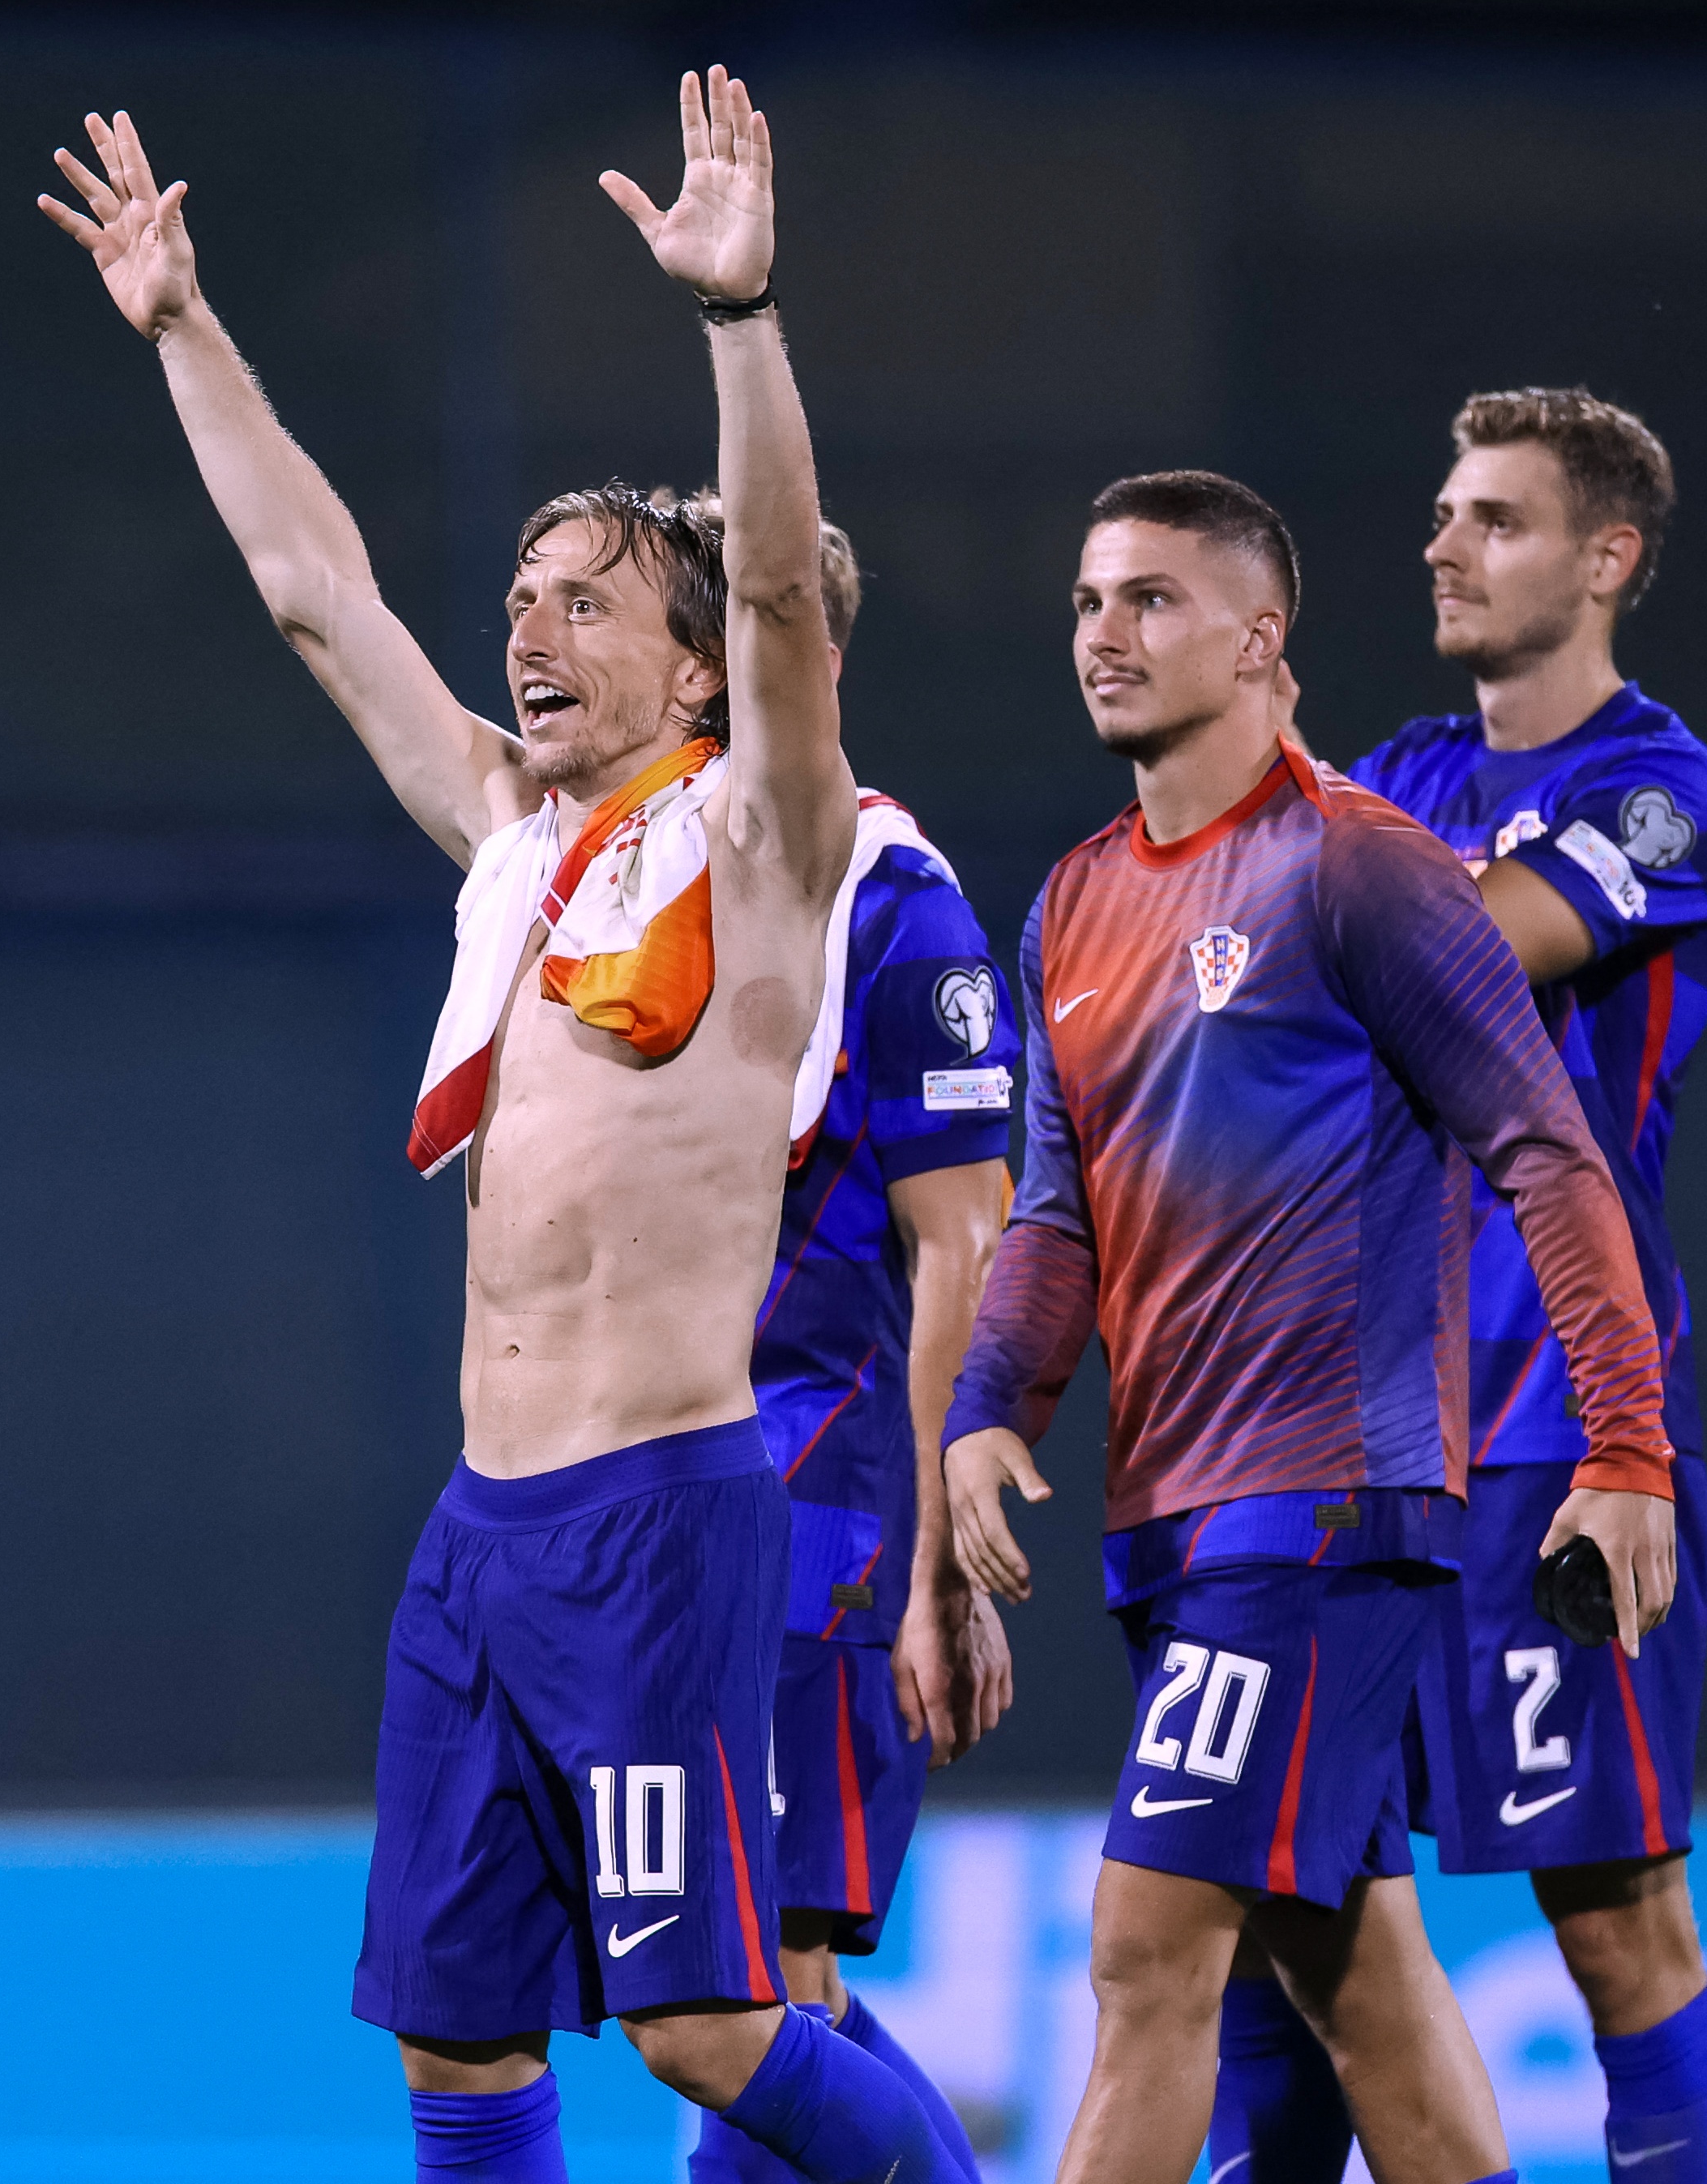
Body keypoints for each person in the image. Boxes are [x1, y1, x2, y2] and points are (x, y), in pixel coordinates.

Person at [44, 71, 969, 2184]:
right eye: (523, 596)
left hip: (660, 1517)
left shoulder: (769, 836)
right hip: (480, 1531)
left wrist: (738, 319)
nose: (527, 628)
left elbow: (781, 604)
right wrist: (183, 325)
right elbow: (314, 588)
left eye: (585, 600)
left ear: (697, 668)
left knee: (710, 2026)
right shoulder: (509, 838)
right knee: (458, 2048)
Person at [939, 470, 1683, 2184]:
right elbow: (1055, 1211)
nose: (1103, 635)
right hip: (1170, 1520)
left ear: (1258, 638)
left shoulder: (1362, 868)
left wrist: (1625, 1449)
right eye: (1086, 602)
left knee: (1145, 1953)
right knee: (1359, 1989)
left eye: (1150, 600)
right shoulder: (1069, 902)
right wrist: (988, 1406)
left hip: (1324, 1510)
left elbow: (1548, 1156)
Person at [1205, 391, 1707, 2184]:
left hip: (1554, 1420)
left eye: (1495, 519)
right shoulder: (1408, 772)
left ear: (1608, 560)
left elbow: (1472, 949)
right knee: (1278, 1908)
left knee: (1613, 1924)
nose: (1443, 543)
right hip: (1357, 1429)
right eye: (1443, 512)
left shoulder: (1660, 794)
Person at [691, 511, 1020, 2184]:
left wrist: (934, 1570)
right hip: (642, 1492)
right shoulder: (623, 883)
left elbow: (965, 1238)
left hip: (803, 1493)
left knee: (757, 1980)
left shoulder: (892, 902)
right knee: (713, 1984)